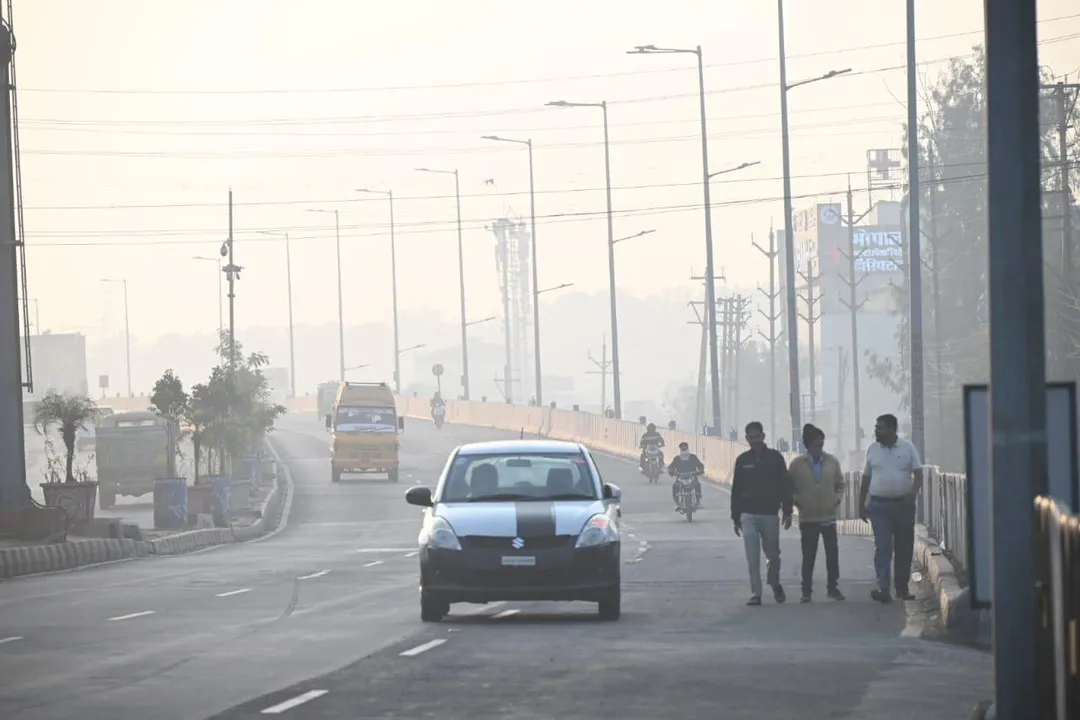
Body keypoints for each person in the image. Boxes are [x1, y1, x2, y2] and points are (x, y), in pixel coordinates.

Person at [859, 413, 923, 603]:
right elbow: (866, 478)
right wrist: (861, 503)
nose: (876, 431)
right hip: (879, 506)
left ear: (892, 429)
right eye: (876, 427)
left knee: (904, 548)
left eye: (881, 428)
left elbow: (918, 473)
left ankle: (902, 589)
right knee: (883, 547)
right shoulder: (872, 450)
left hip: (903, 506)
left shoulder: (908, 447)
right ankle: (883, 588)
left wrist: (913, 492)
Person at [731, 420, 793, 606]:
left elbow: (785, 486)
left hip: (769, 514)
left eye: (758, 437)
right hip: (748, 515)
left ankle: (774, 583)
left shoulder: (775, 458)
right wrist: (735, 517)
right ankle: (755, 593)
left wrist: (788, 511)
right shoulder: (743, 461)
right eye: (751, 438)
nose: (755, 441)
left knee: (772, 554)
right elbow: (736, 490)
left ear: (763, 437)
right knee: (752, 556)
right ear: (747, 439)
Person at [788, 424, 846, 603]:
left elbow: (840, 484)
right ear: (807, 445)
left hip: (828, 516)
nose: (819, 447)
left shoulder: (832, 462)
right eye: (816, 444)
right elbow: (788, 488)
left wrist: (835, 499)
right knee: (809, 556)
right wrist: (798, 502)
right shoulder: (797, 465)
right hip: (808, 517)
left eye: (821, 443)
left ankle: (832, 588)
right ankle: (806, 591)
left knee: (832, 555)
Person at [667, 441, 704, 508]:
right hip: (680, 477)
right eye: (682, 449)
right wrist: (671, 471)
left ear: (687, 448)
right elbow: (671, 467)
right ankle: (677, 502)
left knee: (697, 484)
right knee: (675, 486)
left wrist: (700, 470)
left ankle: (698, 501)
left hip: (692, 476)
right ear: (680, 449)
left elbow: (700, 465)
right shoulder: (677, 458)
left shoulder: (693, 457)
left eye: (685, 449)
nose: (684, 450)